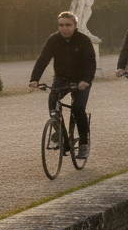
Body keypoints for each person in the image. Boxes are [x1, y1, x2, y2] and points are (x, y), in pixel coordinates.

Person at [29, 11, 97, 159]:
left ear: (75, 25)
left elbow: (91, 63)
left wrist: (86, 80)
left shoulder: (83, 40)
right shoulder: (53, 39)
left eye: (68, 25)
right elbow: (43, 60)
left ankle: (84, 143)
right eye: (61, 25)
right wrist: (35, 79)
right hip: (61, 78)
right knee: (53, 103)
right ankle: (64, 139)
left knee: (78, 108)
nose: (64, 28)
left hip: (81, 80)